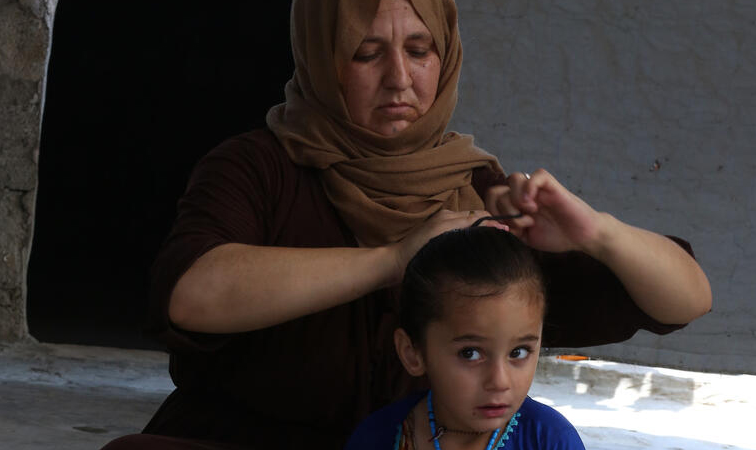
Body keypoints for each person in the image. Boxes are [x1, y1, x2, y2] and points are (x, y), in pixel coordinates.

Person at [101, 0, 711, 449]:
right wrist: (397, 256)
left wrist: (595, 232)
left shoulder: (479, 193)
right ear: (322, 58)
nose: (400, 78)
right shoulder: (257, 167)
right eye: (367, 53)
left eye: (419, 51)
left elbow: (686, 297)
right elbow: (191, 294)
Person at [345, 225, 585, 449]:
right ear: (413, 353)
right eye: (470, 353)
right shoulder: (376, 438)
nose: (500, 382)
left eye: (519, 352)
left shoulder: (550, 441)